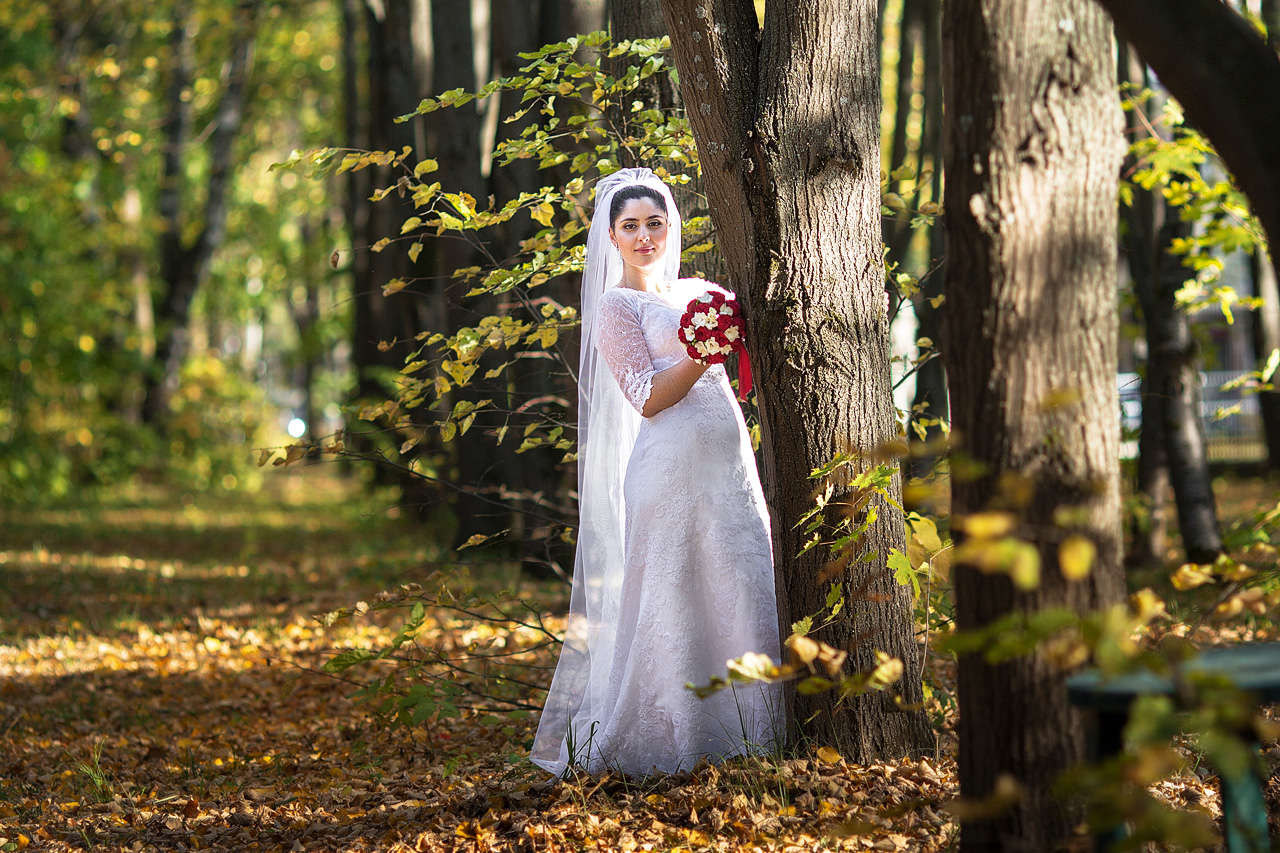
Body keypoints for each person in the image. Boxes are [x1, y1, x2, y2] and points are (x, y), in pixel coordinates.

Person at [530, 168, 781, 777]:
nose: (645, 236)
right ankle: (678, 738)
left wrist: (720, 339)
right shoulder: (618, 306)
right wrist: (702, 353)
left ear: (672, 227)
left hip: (726, 464)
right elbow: (644, 395)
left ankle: (758, 731)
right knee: (675, 595)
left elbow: (736, 366)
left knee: (739, 583)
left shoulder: (700, 289)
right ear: (612, 237)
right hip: (667, 471)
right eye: (631, 226)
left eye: (655, 223)